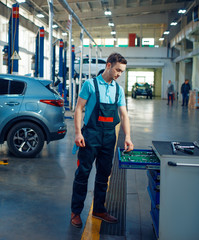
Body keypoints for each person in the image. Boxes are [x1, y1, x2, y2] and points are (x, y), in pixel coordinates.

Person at [70, 53, 134, 228]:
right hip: (90, 135)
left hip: (108, 137)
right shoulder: (90, 85)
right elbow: (78, 109)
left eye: (122, 71)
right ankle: (75, 212)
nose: (119, 74)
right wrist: (77, 133)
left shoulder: (118, 90)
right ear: (108, 65)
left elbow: (124, 114)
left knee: (104, 174)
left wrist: (127, 136)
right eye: (117, 70)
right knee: (83, 173)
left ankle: (99, 209)